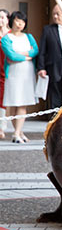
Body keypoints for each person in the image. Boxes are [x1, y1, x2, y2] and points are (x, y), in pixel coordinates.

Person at [1, 11, 38, 143]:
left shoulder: (29, 37)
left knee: (22, 104)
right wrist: (26, 56)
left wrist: (21, 54)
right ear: (12, 21)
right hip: (13, 75)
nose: (20, 23)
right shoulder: (6, 38)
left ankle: (17, 133)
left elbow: (35, 50)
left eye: (22, 21)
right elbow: (11, 55)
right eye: (17, 20)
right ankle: (19, 132)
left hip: (27, 74)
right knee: (12, 104)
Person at [0, 8, 10, 139]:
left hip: (7, 71)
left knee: (3, 100)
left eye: (2, 17)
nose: (0, 20)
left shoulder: (11, 35)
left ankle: (2, 128)